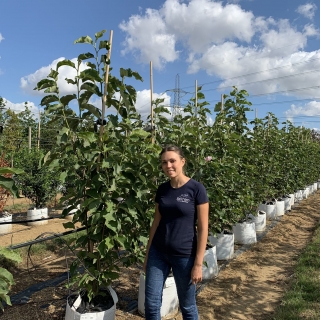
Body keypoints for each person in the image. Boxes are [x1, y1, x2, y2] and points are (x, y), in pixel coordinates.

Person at [143, 145, 209, 320]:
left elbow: (203, 229)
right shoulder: (163, 190)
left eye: (172, 161)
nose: (168, 165)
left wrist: (198, 264)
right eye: (164, 162)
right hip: (158, 254)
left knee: (187, 306)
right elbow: (156, 222)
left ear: (182, 161)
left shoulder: (196, 189)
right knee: (151, 304)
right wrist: (148, 253)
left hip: (184, 256)